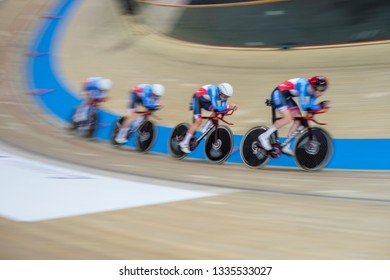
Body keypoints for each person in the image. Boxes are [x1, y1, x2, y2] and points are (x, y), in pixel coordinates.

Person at [258, 76, 330, 156]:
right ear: (315, 87)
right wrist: (319, 105)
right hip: (279, 93)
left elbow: (310, 106)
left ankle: (286, 145)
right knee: (288, 118)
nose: (322, 92)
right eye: (321, 89)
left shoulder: (314, 92)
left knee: (298, 120)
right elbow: (304, 107)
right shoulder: (303, 85)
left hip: (287, 97)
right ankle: (264, 136)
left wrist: (318, 107)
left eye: (324, 89)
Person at [179, 83, 236, 154]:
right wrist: (228, 107)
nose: (225, 98)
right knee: (198, 121)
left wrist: (229, 109)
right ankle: (184, 143)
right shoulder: (213, 90)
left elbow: (222, 109)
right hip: (197, 99)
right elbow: (216, 108)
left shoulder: (223, 95)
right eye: (224, 96)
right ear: (219, 92)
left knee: (216, 113)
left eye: (227, 97)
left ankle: (205, 128)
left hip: (206, 102)